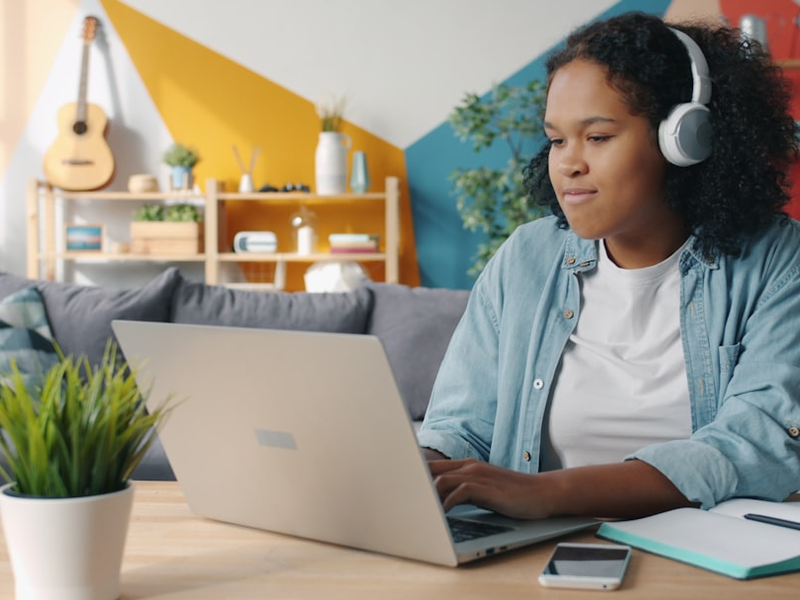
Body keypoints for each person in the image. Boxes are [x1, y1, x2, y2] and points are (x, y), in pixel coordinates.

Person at [418, 11, 800, 521]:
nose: (568, 163)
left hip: (704, 555)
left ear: (684, 139)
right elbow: (461, 428)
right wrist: (416, 470)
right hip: (535, 551)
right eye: (557, 140)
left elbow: (757, 444)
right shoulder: (526, 257)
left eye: (597, 137)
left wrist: (546, 493)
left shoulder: (779, 262)